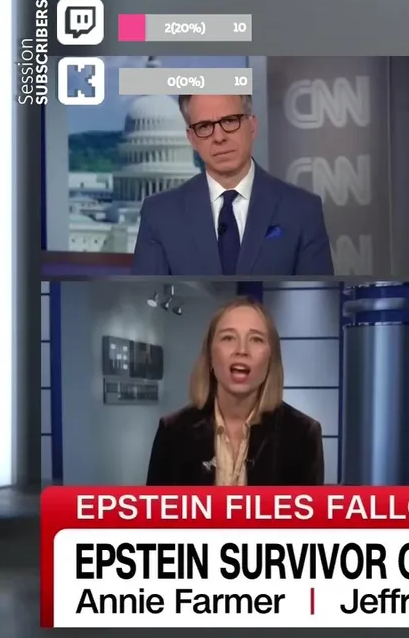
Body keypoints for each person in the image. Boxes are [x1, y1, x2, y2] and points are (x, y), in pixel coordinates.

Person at [131, 94, 335, 276]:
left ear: (252, 126)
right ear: (192, 139)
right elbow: (148, 296)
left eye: (229, 121)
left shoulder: (302, 210)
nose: (219, 138)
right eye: (204, 127)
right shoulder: (159, 214)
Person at [146, 296, 325, 485]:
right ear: (210, 355)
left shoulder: (302, 434)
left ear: (271, 359)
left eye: (256, 339)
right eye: (228, 338)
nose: (241, 350)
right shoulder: (173, 432)